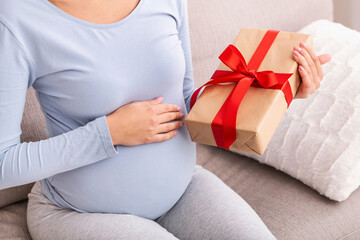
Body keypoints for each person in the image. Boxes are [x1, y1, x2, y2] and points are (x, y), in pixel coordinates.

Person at [0, 0, 331, 239]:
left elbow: (185, 100)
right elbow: (3, 164)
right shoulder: (16, 18)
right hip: (77, 211)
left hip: (184, 188)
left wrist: (274, 93)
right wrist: (109, 133)